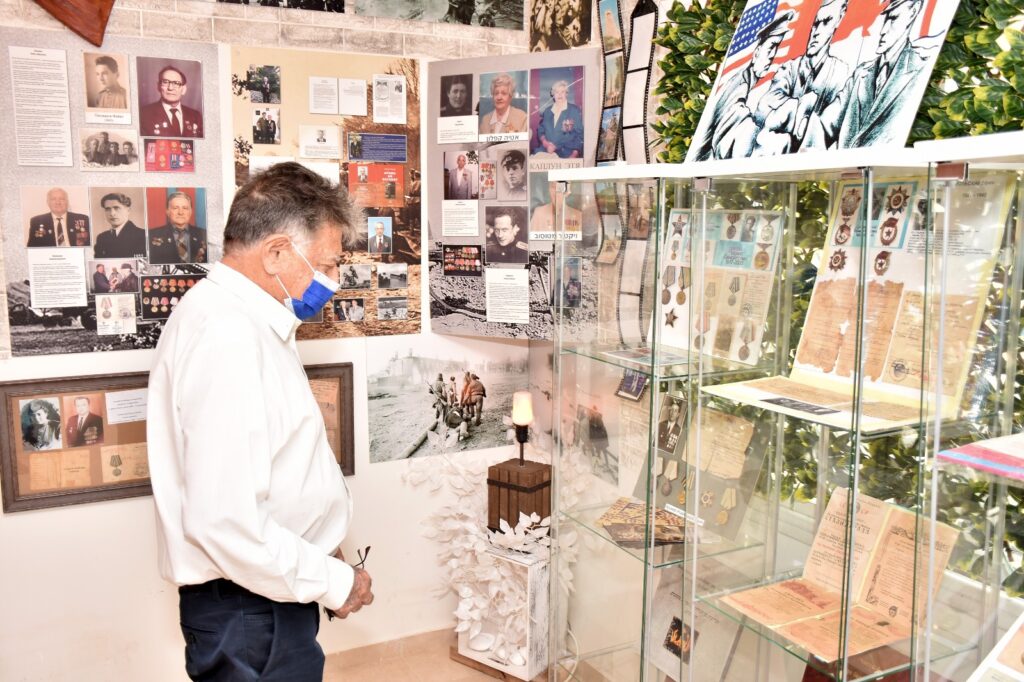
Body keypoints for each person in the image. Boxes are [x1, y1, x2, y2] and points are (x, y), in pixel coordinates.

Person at [148, 162, 373, 682]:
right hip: (250, 609)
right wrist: (334, 582)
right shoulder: (226, 336)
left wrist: (325, 547)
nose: (333, 281)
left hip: (265, 594)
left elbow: (275, 462)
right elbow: (226, 523)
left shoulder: (247, 319)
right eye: (327, 264)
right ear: (276, 253)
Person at [821, 0, 932, 148]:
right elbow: (825, 124)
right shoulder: (861, 73)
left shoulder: (920, 70)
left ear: (913, 12)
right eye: (885, 19)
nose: (883, 30)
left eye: (893, 18)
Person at [692, 12, 792, 161]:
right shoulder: (740, 85)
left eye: (777, 48)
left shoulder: (743, 79)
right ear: (756, 52)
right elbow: (738, 135)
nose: (773, 55)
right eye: (771, 47)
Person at [754, 0, 849, 154]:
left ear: (839, 19)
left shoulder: (841, 72)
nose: (816, 31)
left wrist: (790, 114)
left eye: (826, 22)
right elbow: (763, 108)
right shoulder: (789, 68)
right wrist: (803, 107)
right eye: (815, 24)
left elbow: (833, 125)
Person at [139, 65, 204, 138]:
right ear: (158, 86)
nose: (170, 88)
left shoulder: (195, 116)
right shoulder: (143, 114)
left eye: (176, 83)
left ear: (183, 89)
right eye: (165, 82)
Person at [148, 191, 208, 264]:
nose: (180, 212)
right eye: (175, 208)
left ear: (191, 211)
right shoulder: (151, 235)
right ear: (167, 211)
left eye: (185, 208)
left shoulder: (204, 235)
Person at [27, 187, 91, 247]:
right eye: (53, 199)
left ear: (67, 202)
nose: (58, 202)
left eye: (62, 199)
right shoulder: (37, 222)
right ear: (48, 202)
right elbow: (32, 247)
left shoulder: (82, 219)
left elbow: (88, 244)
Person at [535, 80, 584, 158]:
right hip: (546, 150)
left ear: (566, 94)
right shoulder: (547, 111)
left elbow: (580, 135)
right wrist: (545, 143)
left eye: (562, 92)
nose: (559, 94)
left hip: (566, 153)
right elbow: (541, 130)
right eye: (557, 92)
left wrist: (574, 155)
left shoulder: (574, 110)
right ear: (553, 94)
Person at [93, 192, 147, 258]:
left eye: (116, 208)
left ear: (128, 210)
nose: (112, 213)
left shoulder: (143, 236)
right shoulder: (102, 238)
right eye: (107, 209)